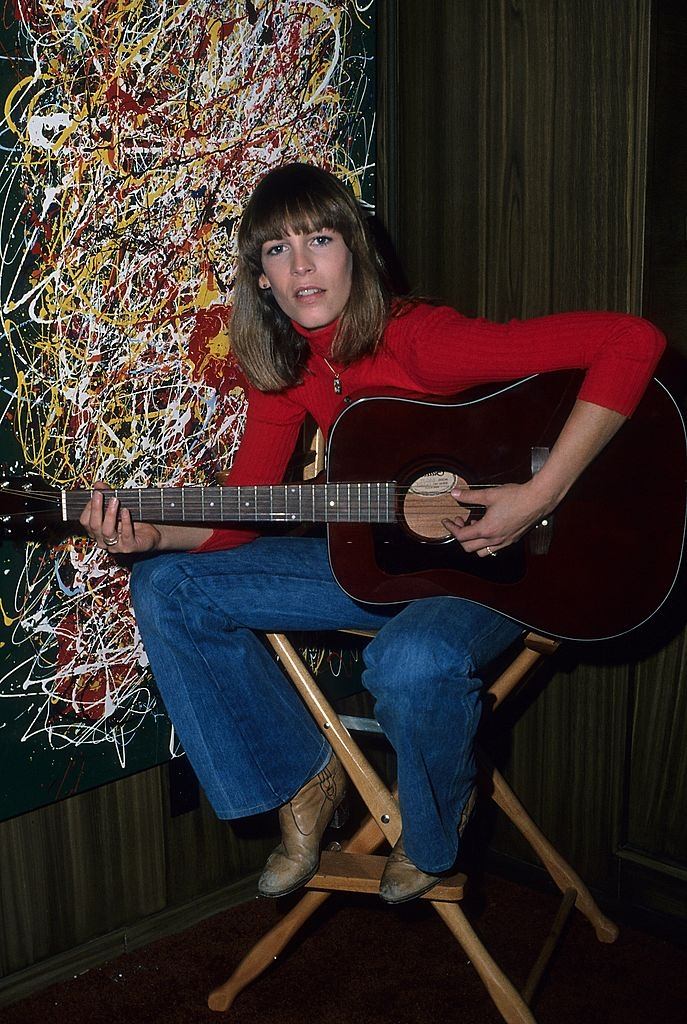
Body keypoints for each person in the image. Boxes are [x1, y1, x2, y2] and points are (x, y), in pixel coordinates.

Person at [80, 163, 665, 903]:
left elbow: (631, 340)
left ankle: (433, 825)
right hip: (380, 569)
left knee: (411, 661)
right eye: (276, 250)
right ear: (259, 277)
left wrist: (536, 494)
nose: (300, 266)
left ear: (353, 249)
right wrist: (154, 537)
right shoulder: (284, 369)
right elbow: (243, 513)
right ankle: (301, 777)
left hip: (500, 570)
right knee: (166, 586)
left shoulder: (422, 341)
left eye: (318, 240)